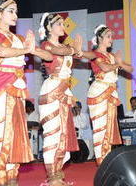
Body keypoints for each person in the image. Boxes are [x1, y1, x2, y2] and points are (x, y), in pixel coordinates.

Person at [0, 0, 52, 186]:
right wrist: (25, 50)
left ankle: (12, 178)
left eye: (16, 11)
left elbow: (48, 57)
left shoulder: (18, 39)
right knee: (1, 135)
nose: (15, 15)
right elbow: (1, 52)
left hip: (17, 90)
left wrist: (33, 49)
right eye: (10, 11)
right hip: (0, 89)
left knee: (15, 134)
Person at [38, 13, 96, 186]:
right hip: (52, 91)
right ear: (49, 27)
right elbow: (59, 51)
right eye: (59, 23)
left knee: (62, 134)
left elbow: (91, 56)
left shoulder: (66, 46)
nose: (63, 26)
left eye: (64, 23)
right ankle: (52, 176)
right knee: (52, 134)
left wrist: (81, 50)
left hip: (64, 93)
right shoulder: (46, 44)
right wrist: (73, 49)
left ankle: (57, 175)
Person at [87, 24, 133, 165]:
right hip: (99, 92)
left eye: (112, 36)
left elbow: (130, 68)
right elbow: (105, 68)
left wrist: (119, 63)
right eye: (108, 36)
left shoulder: (112, 56)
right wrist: (118, 65)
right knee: (100, 127)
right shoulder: (96, 54)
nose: (111, 39)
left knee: (108, 127)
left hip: (111, 93)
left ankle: (106, 158)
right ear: (100, 38)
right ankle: (102, 161)